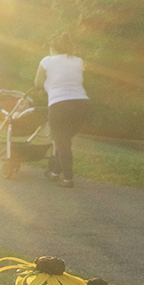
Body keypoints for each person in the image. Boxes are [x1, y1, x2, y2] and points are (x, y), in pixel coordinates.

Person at [30, 33, 90, 187]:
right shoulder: (78, 61)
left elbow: (37, 83)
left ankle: (68, 179)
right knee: (64, 141)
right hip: (82, 106)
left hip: (60, 105)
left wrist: (45, 88)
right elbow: (69, 78)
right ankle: (55, 172)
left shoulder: (47, 61)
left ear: (52, 48)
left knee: (63, 143)